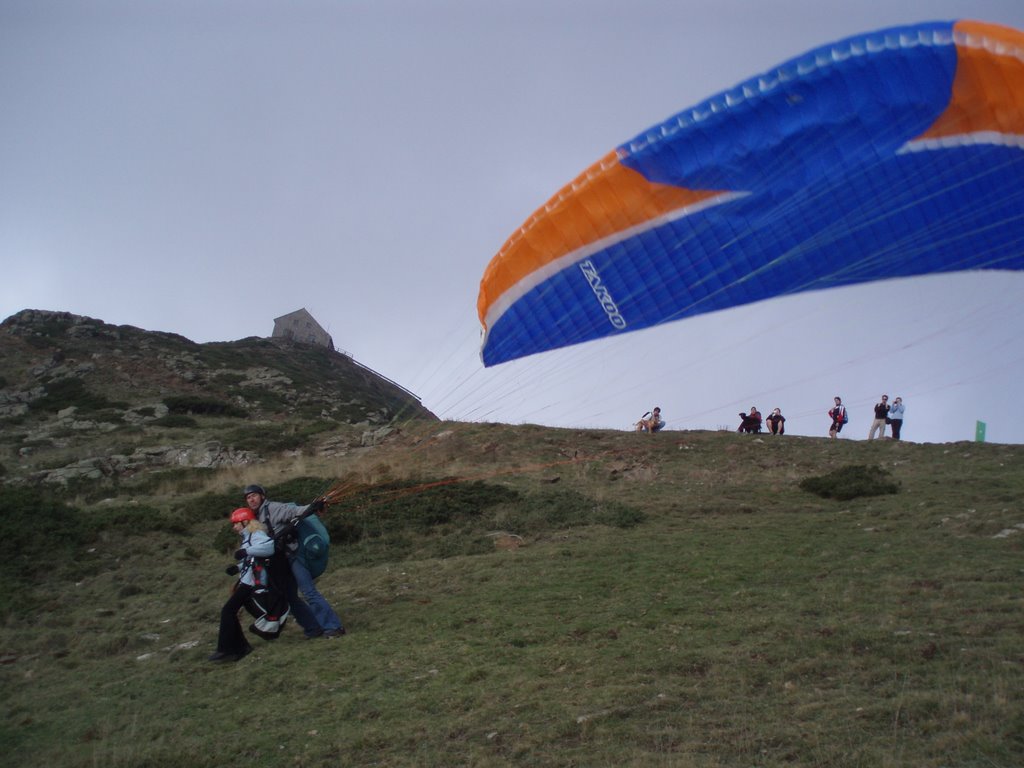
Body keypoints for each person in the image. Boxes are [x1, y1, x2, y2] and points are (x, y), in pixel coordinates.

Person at [244, 484, 345, 639]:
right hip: (280, 562)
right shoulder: (254, 518)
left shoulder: (274, 509)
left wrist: (313, 506)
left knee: (308, 591)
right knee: (288, 597)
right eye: (248, 497)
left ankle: (334, 627)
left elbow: (295, 511)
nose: (251, 499)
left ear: (262, 496)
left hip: (294, 556)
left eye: (254, 495)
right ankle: (313, 628)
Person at [208, 507, 276, 663]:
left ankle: (228, 650)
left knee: (227, 611)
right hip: (247, 580)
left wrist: (246, 552)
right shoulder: (248, 537)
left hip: (250, 583)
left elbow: (269, 547)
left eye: (236, 523)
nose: (234, 527)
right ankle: (240, 647)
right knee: (230, 612)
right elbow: (251, 559)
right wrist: (237, 568)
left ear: (245, 521)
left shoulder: (256, 535)